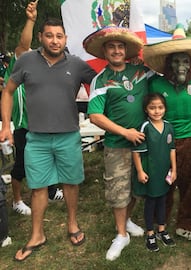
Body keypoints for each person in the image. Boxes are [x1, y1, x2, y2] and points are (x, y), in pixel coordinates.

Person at [0, 17, 97, 261]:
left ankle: (73, 224)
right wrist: (6, 126)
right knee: (38, 187)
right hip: (37, 138)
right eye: (50, 35)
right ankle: (37, 235)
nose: (55, 40)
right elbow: (8, 91)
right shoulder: (26, 61)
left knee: (71, 183)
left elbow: (102, 83)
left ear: (66, 39)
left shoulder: (76, 65)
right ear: (41, 37)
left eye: (59, 36)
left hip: (68, 136)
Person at [143, 24, 191, 241]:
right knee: (163, 182)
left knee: (190, 183)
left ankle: (187, 223)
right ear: (168, 64)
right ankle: (160, 222)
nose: (181, 66)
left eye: (185, 61)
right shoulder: (155, 82)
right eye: (176, 61)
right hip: (163, 141)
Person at [84, 26, 148, 261]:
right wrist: (125, 132)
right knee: (117, 189)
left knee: (134, 188)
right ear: (105, 51)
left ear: (126, 50)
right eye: (111, 46)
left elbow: (167, 73)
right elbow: (95, 116)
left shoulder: (141, 71)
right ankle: (121, 234)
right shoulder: (101, 79)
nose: (117, 50)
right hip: (117, 145)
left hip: (142, 144)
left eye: (121, 46)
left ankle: (128, 220)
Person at [4, 1, 64, 217]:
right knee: (21, 164)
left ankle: (51, 190)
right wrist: (30, 19)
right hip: (25, 125)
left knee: (51, 157)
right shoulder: (22, 61)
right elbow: (22, 44)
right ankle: (17, 201)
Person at [132, 93, 177, 252]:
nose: (156, 111)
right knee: (151, 202)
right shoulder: (145, 127)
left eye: (160, 107)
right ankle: (150, 233)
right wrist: (140, 171)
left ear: (165, 108)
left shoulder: (169, 126)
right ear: (146, 109)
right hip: (150, 172)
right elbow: (136, 152)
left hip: (164, 172)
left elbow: (172, 149)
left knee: (163, 200)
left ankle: (162, 230)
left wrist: (174, 169)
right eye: (152, 108)